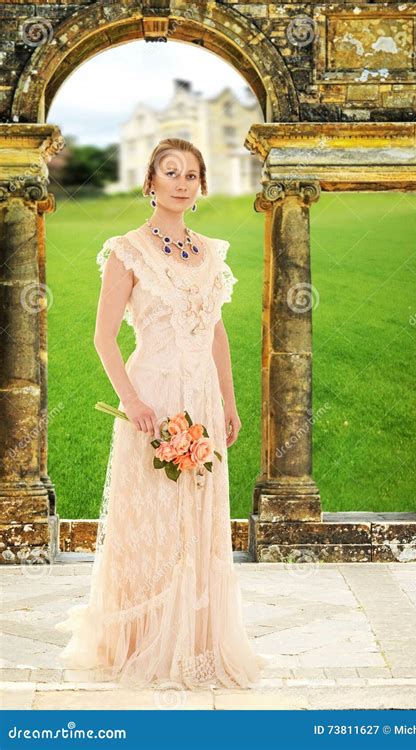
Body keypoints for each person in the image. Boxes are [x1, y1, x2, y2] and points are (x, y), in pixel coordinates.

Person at [55, 138, 267, 690]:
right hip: (153, 395)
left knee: (198, 518)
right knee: (151, 518)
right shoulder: (127, 251)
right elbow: (103, 339)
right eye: (169, 172)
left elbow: (216, 332)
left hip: (201, 396)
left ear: (200, 187)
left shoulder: (208, 253)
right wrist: (133, 401)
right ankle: (142, 638)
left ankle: (198, 641)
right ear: (150, 182)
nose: (180, 181)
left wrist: (229, 401)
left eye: (191, 174)